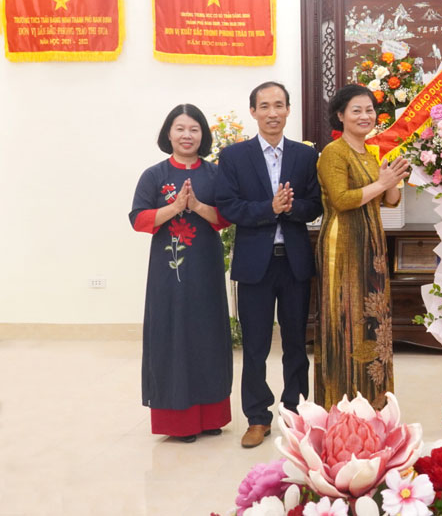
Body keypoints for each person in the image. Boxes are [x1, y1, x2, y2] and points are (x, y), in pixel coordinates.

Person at [215, 82, 323, 448]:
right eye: (264, 106)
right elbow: (228, 206)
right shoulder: (234, 156)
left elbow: (316, 204)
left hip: (294, 263)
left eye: (279, 105)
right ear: (253, 112)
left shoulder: (305, 156)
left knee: (296, 344)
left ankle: (295, 414)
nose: (272, 113)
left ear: (289, 110)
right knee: (255, 346)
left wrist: (291, 208)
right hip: (254, 265)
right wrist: (269, 208)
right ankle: (257, 418)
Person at [129, 104, 233, 443]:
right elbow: (138, 219)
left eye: (194, 129)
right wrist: (174, 208)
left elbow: (225, 218)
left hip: (206, 269)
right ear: (168, 134)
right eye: (180, 128)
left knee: (208, 336)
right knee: (171, 336)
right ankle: (179, 423)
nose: (187, 135)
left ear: (203, 135)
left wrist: (197, 206)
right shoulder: (154, 175)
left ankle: (212, 416)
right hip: (167, 275)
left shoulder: (215, 174)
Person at [316, 84, 410, 410]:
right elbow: (342, 200)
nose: (364, 116)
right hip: (342, 247)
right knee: (345, 320)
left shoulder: (371, 154)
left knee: (373, 321)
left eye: (369, 110)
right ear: (340, 115)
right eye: (356, 110)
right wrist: (382, 183)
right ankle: (341, 403)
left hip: (372, 246)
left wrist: (393, 181)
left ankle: (374, 400)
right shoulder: (333, 153)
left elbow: (388, 201)